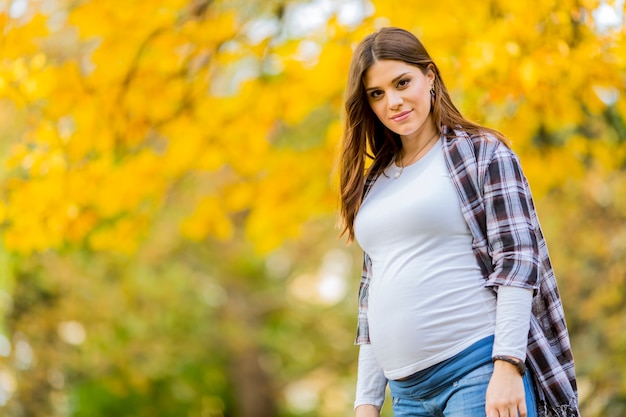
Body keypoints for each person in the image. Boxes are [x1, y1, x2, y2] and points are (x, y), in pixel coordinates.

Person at [338, 27, 579, 417]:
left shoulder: (481, 153)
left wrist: (507, 365)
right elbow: (372, 300)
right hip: (406, 395)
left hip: (477, 372)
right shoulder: (373, 184)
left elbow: (518, 261)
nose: (393, 102)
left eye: (403, 83)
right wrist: (366, 403)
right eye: (377, 94)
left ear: (430, 77)